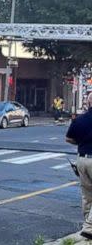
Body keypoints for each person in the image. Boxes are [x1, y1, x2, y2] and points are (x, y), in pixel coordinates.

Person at [66, 93, 92, 240]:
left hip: (82, 159)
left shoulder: (79, 120)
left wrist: (81, 142)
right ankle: (89, 228)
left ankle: (87, 227)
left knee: (87, 195)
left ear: (88, 104)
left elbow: (68, 138)